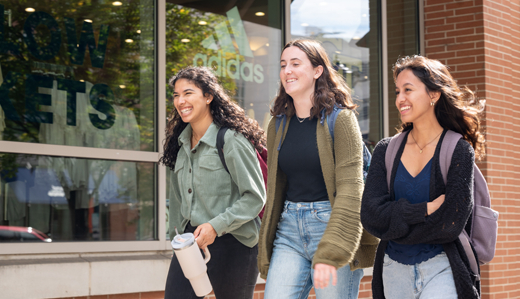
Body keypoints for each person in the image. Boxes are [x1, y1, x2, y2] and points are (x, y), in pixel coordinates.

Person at [257, 39, 379, 299]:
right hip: (288, 230)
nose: (287, 70)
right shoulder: (277, 125)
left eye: (295, 63)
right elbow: (275, 190)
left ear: (317, 71)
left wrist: (333, 249)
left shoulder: (341, 120)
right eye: (283, 65)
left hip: (332, 223)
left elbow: (351, 188)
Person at [360, 55, 485, 299]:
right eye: (397, 92)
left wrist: (394, 225)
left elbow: (450, 224)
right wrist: (425, 210)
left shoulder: (458, 150)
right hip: (392, 272)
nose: (400, 99)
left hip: (441, 267)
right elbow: (371, 216)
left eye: (408, 90)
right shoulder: (386, 150)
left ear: (433, 95)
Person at [160, 66, 266, 299]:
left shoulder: (231, 140)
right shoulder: (180, 146)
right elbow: (177, 202)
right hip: (191, 244)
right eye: (176, 95)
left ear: (208, 96)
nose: (180, 101)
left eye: (188, 93)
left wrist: (215, 226)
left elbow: (255, 197)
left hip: (235, 243)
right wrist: (176, 238)